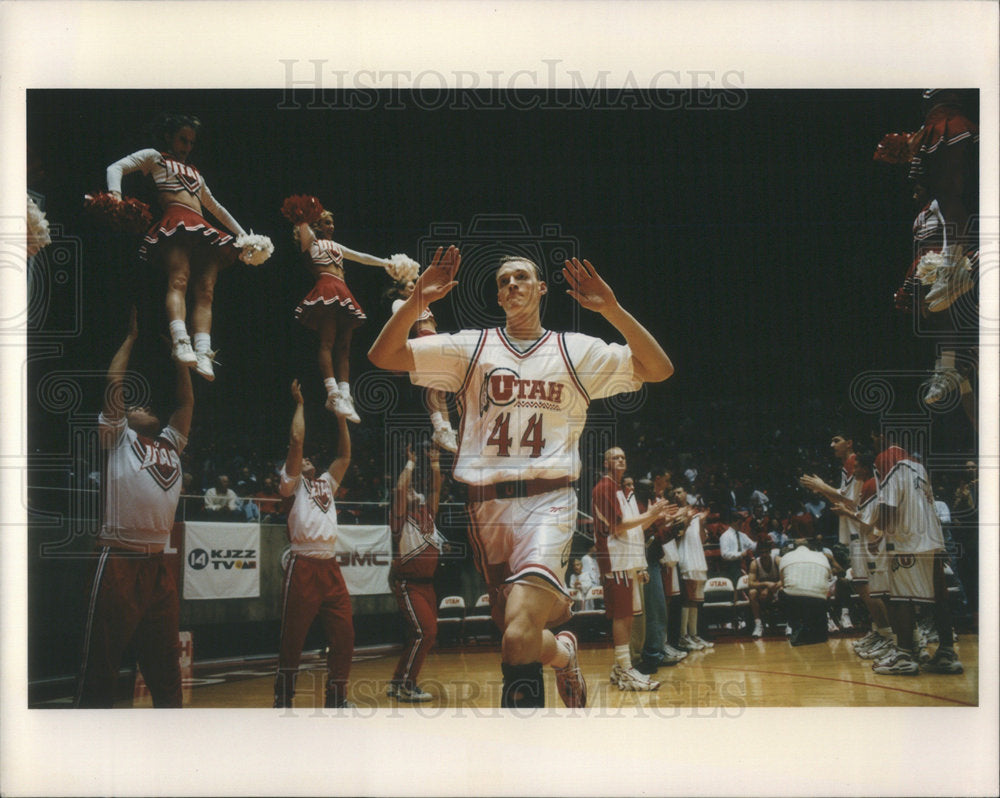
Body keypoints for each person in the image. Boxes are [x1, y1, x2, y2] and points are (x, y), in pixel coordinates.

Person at [369, 248, 674, 709]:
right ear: (498, 294)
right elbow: (384, 355)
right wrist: (416, 301)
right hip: (485, 508)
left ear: (540, 288)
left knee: (517, 630)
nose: (512, 284)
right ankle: (565, 652)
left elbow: (659, 368)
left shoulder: (574, 349)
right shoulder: (472, 346)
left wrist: (611, 309)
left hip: (548, 499)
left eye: (522, 277)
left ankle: (522, 757)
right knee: (519, 638)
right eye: (504, 280)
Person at [75, 307, 193, 708]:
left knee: (166, 668)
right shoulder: (117, 436)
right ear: (125, 415)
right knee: (102, 665)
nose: (144, 404)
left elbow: (186, 403)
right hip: (118, 558)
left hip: (157, 564)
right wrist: (130, 340)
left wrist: (181, 362)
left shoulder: (169, 443)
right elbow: (114, 384)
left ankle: (170, 745)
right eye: (135, 403)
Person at [106, 113, 249, 381]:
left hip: (202, 228)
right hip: (176, 221)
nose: (187, 147)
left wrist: (244, 236)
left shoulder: (195, 172)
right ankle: (181, 341)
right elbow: (115, 168)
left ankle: (204, 351)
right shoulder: (155, 157)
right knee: (179, 280)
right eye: (183, 139)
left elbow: (215, 207)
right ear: (169, 136)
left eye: (191, 143)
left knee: (206, 290)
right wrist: (115, 196)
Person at [833, 432, 961, 676]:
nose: (870, 444)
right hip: (932, 537)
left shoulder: (886, 458)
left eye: (871, 438)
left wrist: (879, 531)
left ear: (881, 436)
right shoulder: (917, 463)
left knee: (900, 597)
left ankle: (903, 655)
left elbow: (889, 504)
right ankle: (946, 653)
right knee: (939, 596)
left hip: (906, 540)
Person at [273, 380, 355, 708]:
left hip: (329, 565)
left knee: (345, 635)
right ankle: (283, 698)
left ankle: (336, 698)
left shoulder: (324, 483)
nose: (306, 459)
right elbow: (296, 441)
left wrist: (340, 417)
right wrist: (301, 404)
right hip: (303, 563)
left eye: (308, 458)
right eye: (301, 459)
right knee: (292, 639)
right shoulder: (290, 485)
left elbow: (345, 455)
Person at [291, 207, 400, 422]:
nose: (332, 226)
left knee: (344, 347)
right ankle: (332, 394)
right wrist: (303, 216)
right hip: (326, 289)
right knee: (327, 342)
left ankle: (345, 394)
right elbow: (303, 227)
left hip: (342, 290)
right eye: (327, 223)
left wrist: (386, 263)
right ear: (317, 226)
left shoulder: (336, 246)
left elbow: (361, 257)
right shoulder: (310, 242)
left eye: (332, 223)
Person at [592, 449, 673, 690]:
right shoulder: (603, 489)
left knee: (629, 615)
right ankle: (625, 668)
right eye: (615, 457)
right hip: (616, 560)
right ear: (606, 462)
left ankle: (621, 667)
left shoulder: (620, 490)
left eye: (623, 457)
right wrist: (650, 513)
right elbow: (618, 528)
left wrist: (654, 516)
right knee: (622, 615)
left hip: (628, 560)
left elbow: (635, 528)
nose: (620, 460)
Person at [800, 433, 882, 632]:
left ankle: (887, 632)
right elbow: (840, 501)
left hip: (864, 529)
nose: (832, 444)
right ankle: (880, 630)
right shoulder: (848, 467)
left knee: (868, 585)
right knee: (863, 585)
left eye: (836, 440)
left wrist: (822, 487)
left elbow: (848, 499)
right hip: (857, 530)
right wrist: (823, 490)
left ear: (850, 443)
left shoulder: (854, 462)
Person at [387, 443, 446, 702]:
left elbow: (435, 488)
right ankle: (408, 686)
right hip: (409, 583)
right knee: (426, 632)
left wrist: (434, 463)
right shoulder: (400, 517)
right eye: (409, 490)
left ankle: (397, 682)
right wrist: (410, 463)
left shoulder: (427, 512)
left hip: (428, 584)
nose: (412, 490)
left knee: (420, 635)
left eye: (414, 488)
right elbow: (400, 488)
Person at [390, 279, 458, 452]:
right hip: (422, 340)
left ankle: (447, 429)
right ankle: (438, 427)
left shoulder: (423, 302)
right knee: (431, 387)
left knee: (440, 388)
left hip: (435, 340)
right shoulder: (400, 303)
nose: (414, 287)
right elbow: (399, 321)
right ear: (401, 291)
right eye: (410, 286)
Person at [672, 486, 713, 651]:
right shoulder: (675, 513)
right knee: (687, 598)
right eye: (674, 492)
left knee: (695, 600)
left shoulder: (696, 513)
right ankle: (683, 637)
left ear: (686, 494)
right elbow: (677, 534)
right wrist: (686, 519)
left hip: (697, 558)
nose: (677, 495)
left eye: (680, 492)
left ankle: (694, 635)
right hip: (685, 557)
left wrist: (702, 522)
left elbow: (702, 539)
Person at [779, 538, 833, 646]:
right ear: (810, 547)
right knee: (822, 637)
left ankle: (795, 625)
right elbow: (829, 577)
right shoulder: (822, 556)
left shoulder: (785, 557)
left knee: (781, 592)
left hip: (794, 598)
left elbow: (783, 584)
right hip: (819, 599)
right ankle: (813, 626)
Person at [746, 541, 782, 638]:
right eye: (762, 552)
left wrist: (773, 587)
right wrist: (766, 584)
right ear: (758, 553)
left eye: (766, 552)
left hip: (777, 589)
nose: (764, 555)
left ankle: (790, 623)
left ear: (770, 551)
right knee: (752, 593)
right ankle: (758, 624)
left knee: (786, 590)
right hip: (763, 591)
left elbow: (786, 578)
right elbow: (750, 583)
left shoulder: (777, 560)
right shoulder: (754, 564)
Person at [718, 511, 755, 588]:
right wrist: (740, 554)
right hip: (732, 565)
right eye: (739, 523)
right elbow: (725, 554)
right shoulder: (725, 536)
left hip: (744, 563)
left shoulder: (742, 535)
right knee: (737, 585)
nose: (741, 525)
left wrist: (762, 543)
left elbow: (752, 546)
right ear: (733, 522)